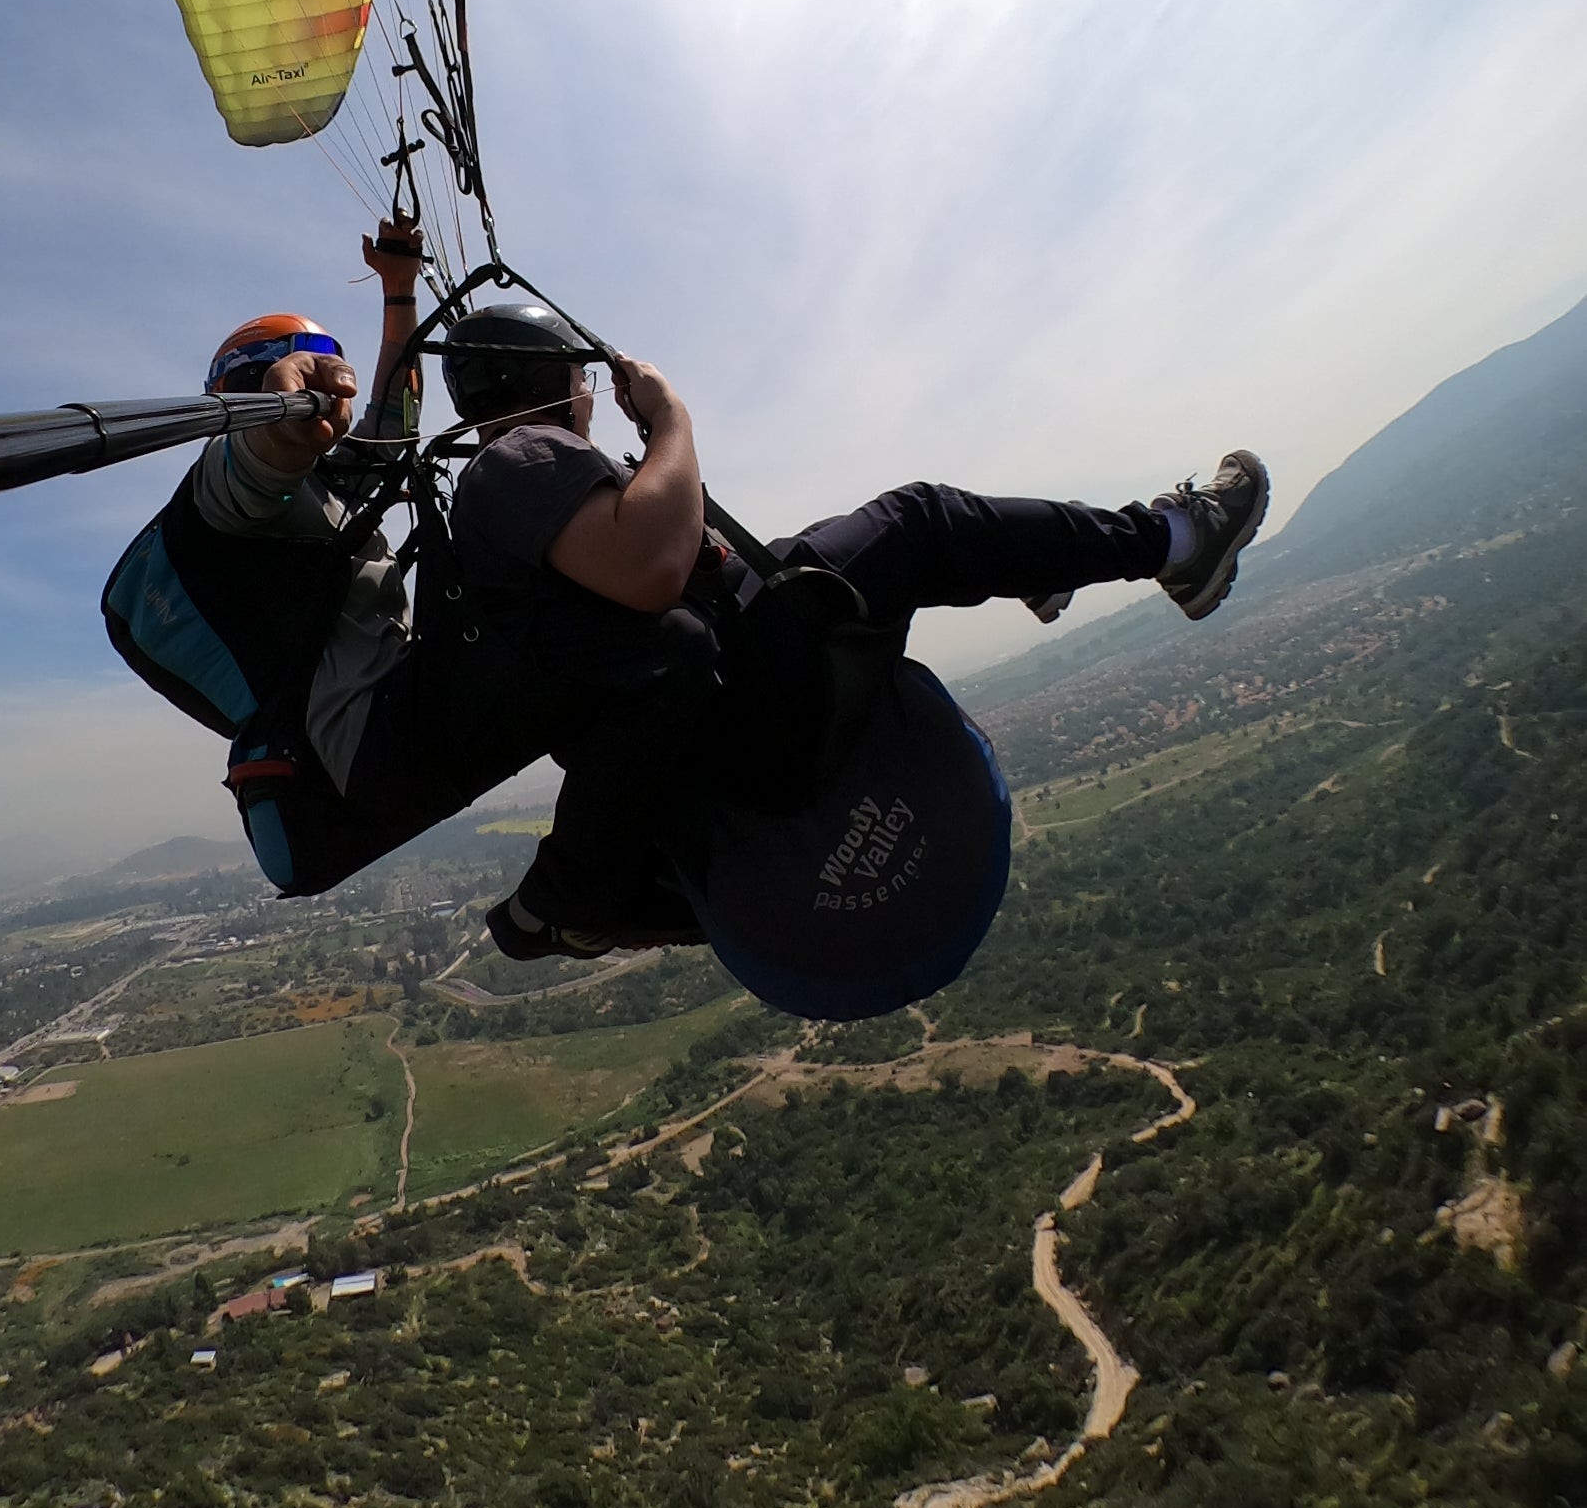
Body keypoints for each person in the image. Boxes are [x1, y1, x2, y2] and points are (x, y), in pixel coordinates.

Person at [441, 302, 1269, 1017]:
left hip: (706, 742)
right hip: (739, 706)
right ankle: (1180, 541)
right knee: (920, 526)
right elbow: (655, 572)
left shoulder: (513, 502)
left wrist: (401, 288)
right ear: (562, 377)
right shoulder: (520, 460)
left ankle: (1037, 561)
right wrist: (669, 419)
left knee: (874, 546)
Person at [102, 227, 550, 896]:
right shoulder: (226, 501)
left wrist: (398, 290)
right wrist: (276, 423)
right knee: (605, 642)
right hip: (373, 742)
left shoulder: (323, 486)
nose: (331, 397)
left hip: (388, 716)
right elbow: (254, 463)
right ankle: (582, 889)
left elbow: (390, 423)